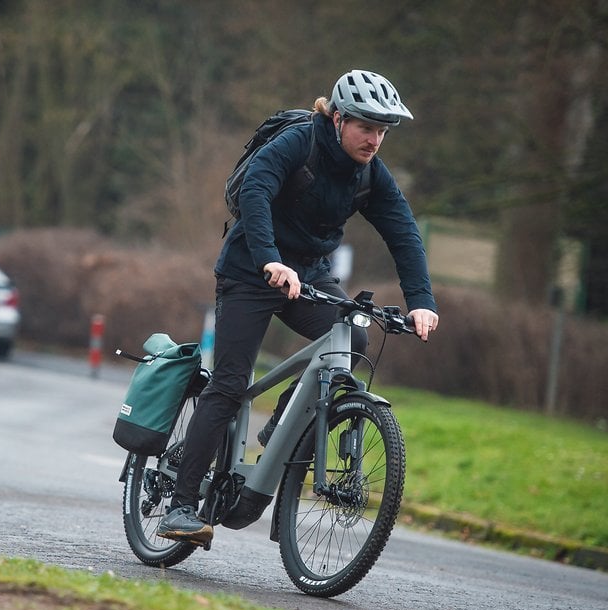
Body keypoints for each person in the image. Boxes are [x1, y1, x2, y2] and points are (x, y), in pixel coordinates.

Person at [157, 68, 440, 546]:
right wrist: (270, 260)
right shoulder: (298, 143)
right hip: (251, 269)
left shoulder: (369, 173)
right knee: (229, 384)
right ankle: (181, 505)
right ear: (337, 120)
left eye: (382, 131)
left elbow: (403, 232)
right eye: (366, 127)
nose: (374, 140)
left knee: (353, 334)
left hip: (307, 273)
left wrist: (421, 302)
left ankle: (285, 423)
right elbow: (256, 191)